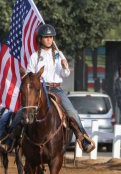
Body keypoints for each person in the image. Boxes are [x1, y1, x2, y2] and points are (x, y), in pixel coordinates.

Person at [25, 24, 95, 153]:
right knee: (24, 110)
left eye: (51, 37)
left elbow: (65, 74)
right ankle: (13, 137)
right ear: (40, 39)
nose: (49, 40)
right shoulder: (34, 56)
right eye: (46, 37)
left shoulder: (58, 54)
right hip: (41, 89)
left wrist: (65, 67)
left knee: (72, 112)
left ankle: (83, 138)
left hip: (57, 89)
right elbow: (30, 75)